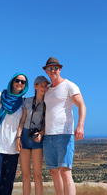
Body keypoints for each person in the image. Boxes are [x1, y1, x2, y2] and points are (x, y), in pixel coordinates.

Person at [42, 57, 86, 195]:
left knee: (66, 172)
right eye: (49, 68)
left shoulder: (69, 85)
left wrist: (80, 125)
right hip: (48, 136)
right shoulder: (47, 91)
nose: (52, 70)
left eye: (55, 68)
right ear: (46, 71)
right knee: (54, 172)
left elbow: (82, 105)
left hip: (64, 135)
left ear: (60, 69)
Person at [0, 73, 28, 195]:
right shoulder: (0, 96)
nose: (20, 83)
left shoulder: (23, 103)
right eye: (17, 80)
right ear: (12, 82)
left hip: (13, 149)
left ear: (25, 86)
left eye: (23, 82)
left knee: (7, 185)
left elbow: (23, 124)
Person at [16, 76, 50, 195]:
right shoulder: (27, 101)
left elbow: (48, 124)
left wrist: (41, 133)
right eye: (41, 85)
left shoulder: (48, 103)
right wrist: (18, 138)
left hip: (37, 139)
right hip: (25, 137)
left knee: (38, 175)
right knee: (25, 175)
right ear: (35, 86)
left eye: (45, 86)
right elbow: (22, 120)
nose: (43, 88)